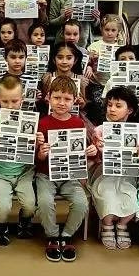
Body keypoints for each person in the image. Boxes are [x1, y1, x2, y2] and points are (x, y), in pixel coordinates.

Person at [34, 76, 94, 262]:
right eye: (57, 98)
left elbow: (80, 153)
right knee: (44, 202)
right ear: (49, 98)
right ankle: (52, 236)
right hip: (46, 175)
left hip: (70, 176)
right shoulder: (42, 123)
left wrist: (89, 152)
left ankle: (66, 235)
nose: (61, 103)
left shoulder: (78, 123)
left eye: (67, 99)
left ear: (75, 100)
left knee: (82, 203)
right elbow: (37, 159)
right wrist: (41, 152)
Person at [90, 86, 139, 250]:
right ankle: (107, 225)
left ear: (129, 110)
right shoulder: (99, 130)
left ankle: (122, 225)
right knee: (106, 194)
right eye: (109, 105)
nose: (112, 109)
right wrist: (96, 148)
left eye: (118, 105)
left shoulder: (134, 132)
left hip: (127, 175)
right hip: (104, 173)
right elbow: (93, 159)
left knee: (130, 197)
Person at [0, 75, 40, 246]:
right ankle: (1, 227)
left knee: (30, 205)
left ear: (22, 99)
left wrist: (37, 143)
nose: (10, 106)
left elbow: (34, 154)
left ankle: (24, 221)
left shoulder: (30, 120)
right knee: (1, 209)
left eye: (15, 101)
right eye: (5, 101)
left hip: (24, 172)